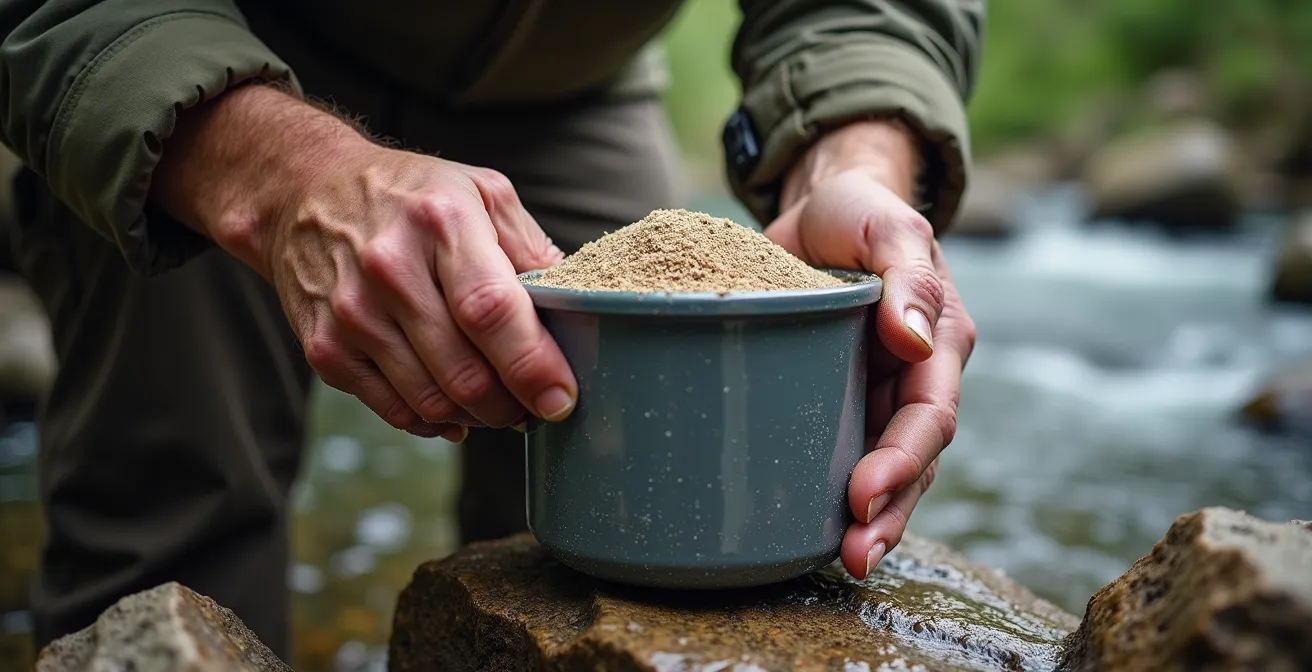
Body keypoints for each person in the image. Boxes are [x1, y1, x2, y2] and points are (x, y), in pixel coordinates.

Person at [0, 0, 981, 659]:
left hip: (570, 83)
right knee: (172, 503)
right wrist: (268, 173)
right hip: (202, 45)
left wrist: (852, 158)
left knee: (597, 542)